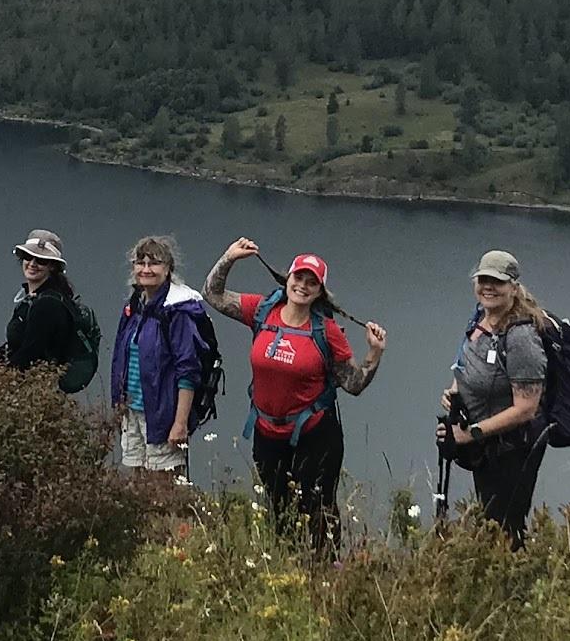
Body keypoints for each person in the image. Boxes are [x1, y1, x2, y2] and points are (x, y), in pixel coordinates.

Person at [201, 236, 384, 557]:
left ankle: (325, 572)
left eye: (312, 282)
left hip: (315, 434)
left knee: (318, 510)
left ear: (320, 291)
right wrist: (229, 257)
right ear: (289, 278)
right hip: (268, 432)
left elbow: (353, 384)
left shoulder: (326, 332)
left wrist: (374, 354)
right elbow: (212, 294)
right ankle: (286, 570)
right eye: (299, 277)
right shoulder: (262, 311)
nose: (303, 285)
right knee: (279, 509)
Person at [442, 250, 554, 545]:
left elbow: (526, 409)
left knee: (505, 527)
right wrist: (457, 391)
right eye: (483, 279)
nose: (488, 287)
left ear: (513, 288)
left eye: (497, 282)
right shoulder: (482, 317)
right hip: (488, 447)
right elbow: (468, 363)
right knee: (489, 520)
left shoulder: (521, 338)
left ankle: (511, 584)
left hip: (513, 449)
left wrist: (472, 434)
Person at [109, 235, 212, 480]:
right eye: (140, 263)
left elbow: (187, 371)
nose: (146, 269)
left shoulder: (178, 311)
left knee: (164, 486)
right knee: (137, 481)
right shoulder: (136, 306)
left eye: (154, 263)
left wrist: (180, 423)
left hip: (163, 414)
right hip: (133, 410)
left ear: (168, 269)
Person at [0, 228, 96, 389]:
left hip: (35, 393)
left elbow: (30, 354)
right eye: (28, 257)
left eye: (41, 260)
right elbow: (17, 346)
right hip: (33, 390)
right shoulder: (34, 299)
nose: (32, 264)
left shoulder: (47, 304)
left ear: (52, 267)